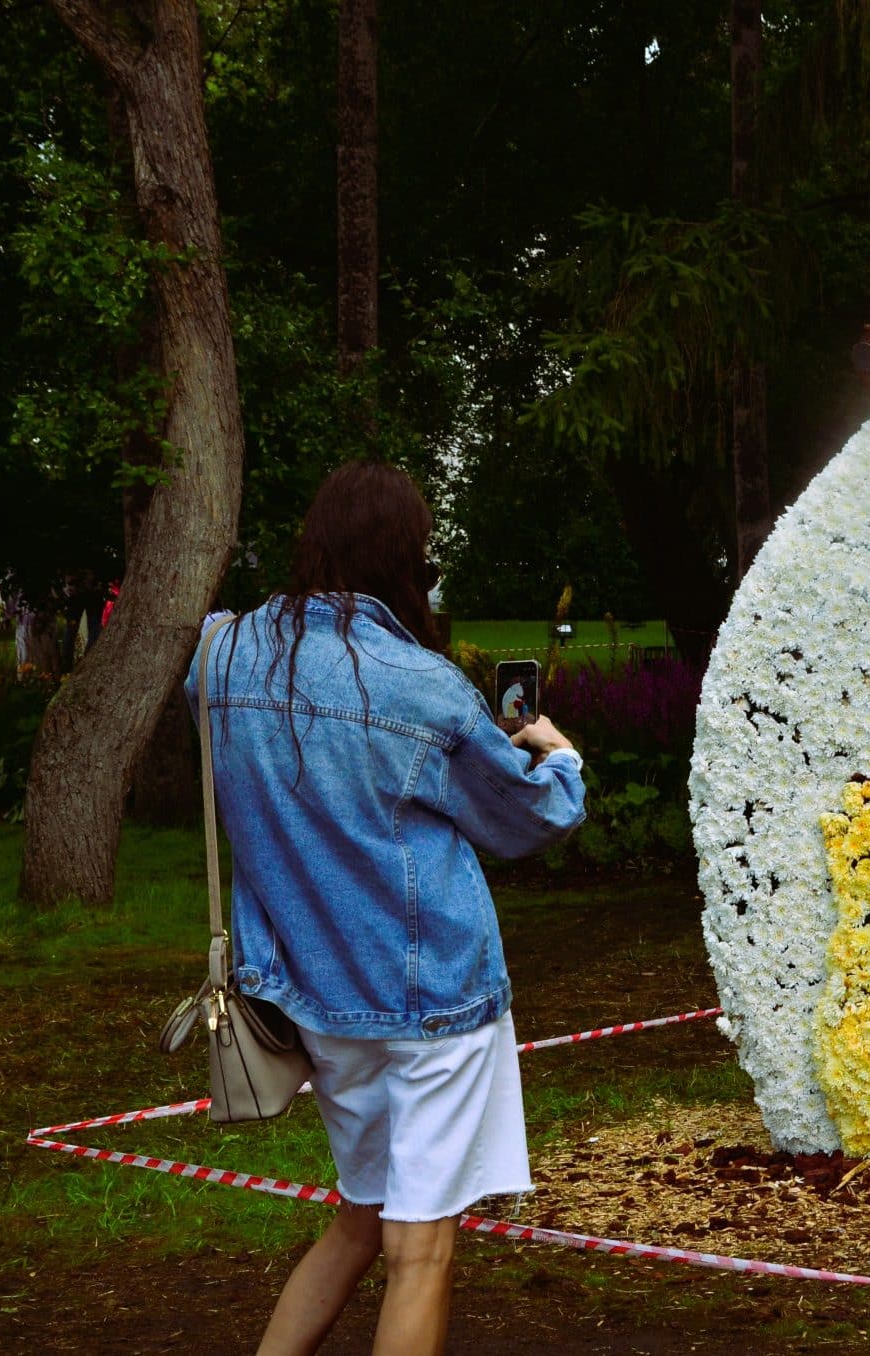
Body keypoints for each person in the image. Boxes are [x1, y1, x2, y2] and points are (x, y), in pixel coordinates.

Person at [188, 462, 586, 1356]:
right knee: (420, 1249)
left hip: (311, 997)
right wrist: (557, 756)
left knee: (361, 1219)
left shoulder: (223, 651)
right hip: (431, 997)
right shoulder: (421, 684)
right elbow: (529, 819)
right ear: (405, 554)